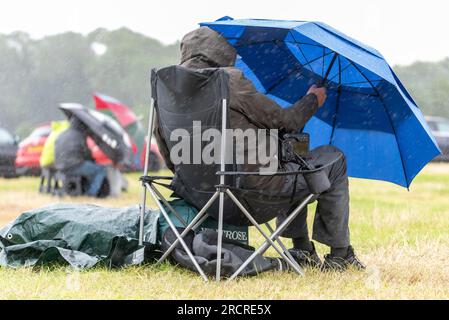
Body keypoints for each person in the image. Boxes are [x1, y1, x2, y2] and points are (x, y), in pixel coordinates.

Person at [154, 27, 365, 271]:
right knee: (333, 158)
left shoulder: (166, 90)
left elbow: (170, 157)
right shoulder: (229, 80)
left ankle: (303, 250)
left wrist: (203, 174)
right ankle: (340, 254)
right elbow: (286, 122)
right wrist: (312, 100)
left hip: (202, 198)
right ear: (223, 53)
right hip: (249, 198)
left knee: (289, 155)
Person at [54, 117, 106, 197]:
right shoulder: (80, 135)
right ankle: (91, 194)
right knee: (100, 169)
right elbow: (86, 153)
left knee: (89, 168)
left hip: (59, 167)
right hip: (74, 166)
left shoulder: (62, 134)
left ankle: (82, 190)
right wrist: (93, 160)